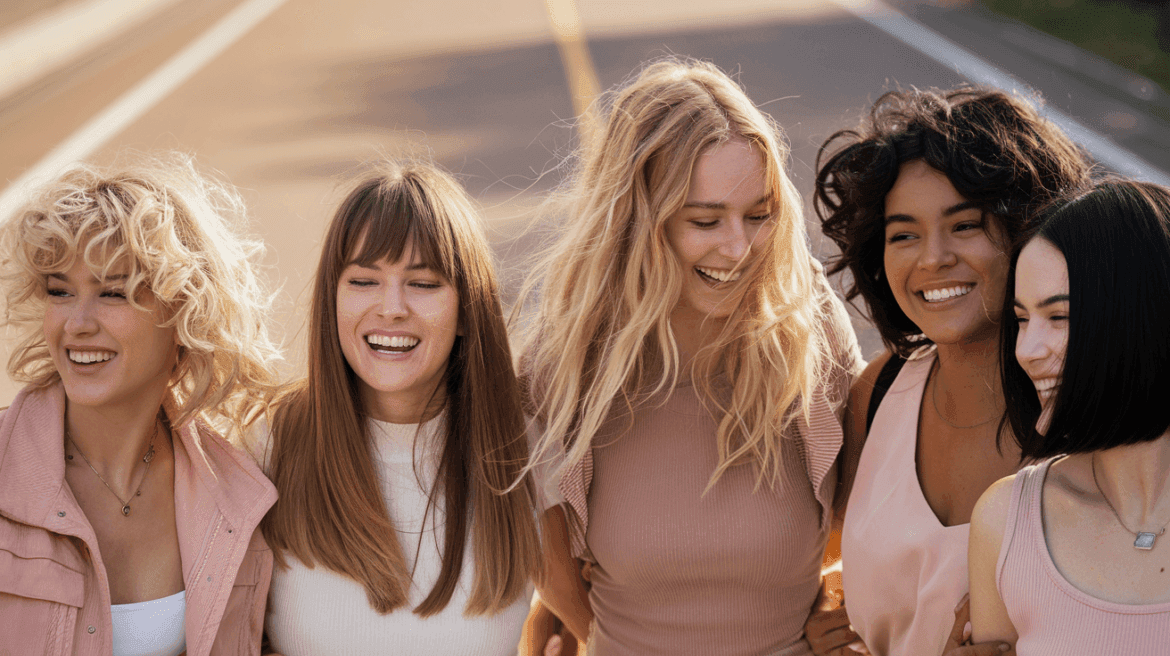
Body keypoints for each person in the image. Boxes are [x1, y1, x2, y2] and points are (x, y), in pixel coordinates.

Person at [518, 58, 862, 655]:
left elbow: (872, 510)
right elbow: (537, 545)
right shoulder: (567, 358)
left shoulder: (809, 326)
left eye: (759, 216)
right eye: (705, 219)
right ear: (637, 222)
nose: (739, 247)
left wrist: (839, 599)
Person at [809, 87, 1091, 656]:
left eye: (965, 226)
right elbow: (828, 565)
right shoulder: (881, 389)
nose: (931, 258)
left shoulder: (1095, 408)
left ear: (1029, 233)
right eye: (904, 234)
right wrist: (825, 624)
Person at [253, 160, 544, 655]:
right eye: (364, 281)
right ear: (332, 299)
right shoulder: (267, 443)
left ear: (466, 309)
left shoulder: (530, 447)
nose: (391, 307)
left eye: (424, 283)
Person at [0, 155, 282, 655]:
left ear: (185, 311)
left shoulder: (239, 491)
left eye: (113, 293)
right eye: (59, 292)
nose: (77, 324)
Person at [969, 180, 1170, 654]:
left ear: (1145, 318)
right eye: (1022, 319)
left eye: (1059, 317)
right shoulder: (1006, 521)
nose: (1027, 351)